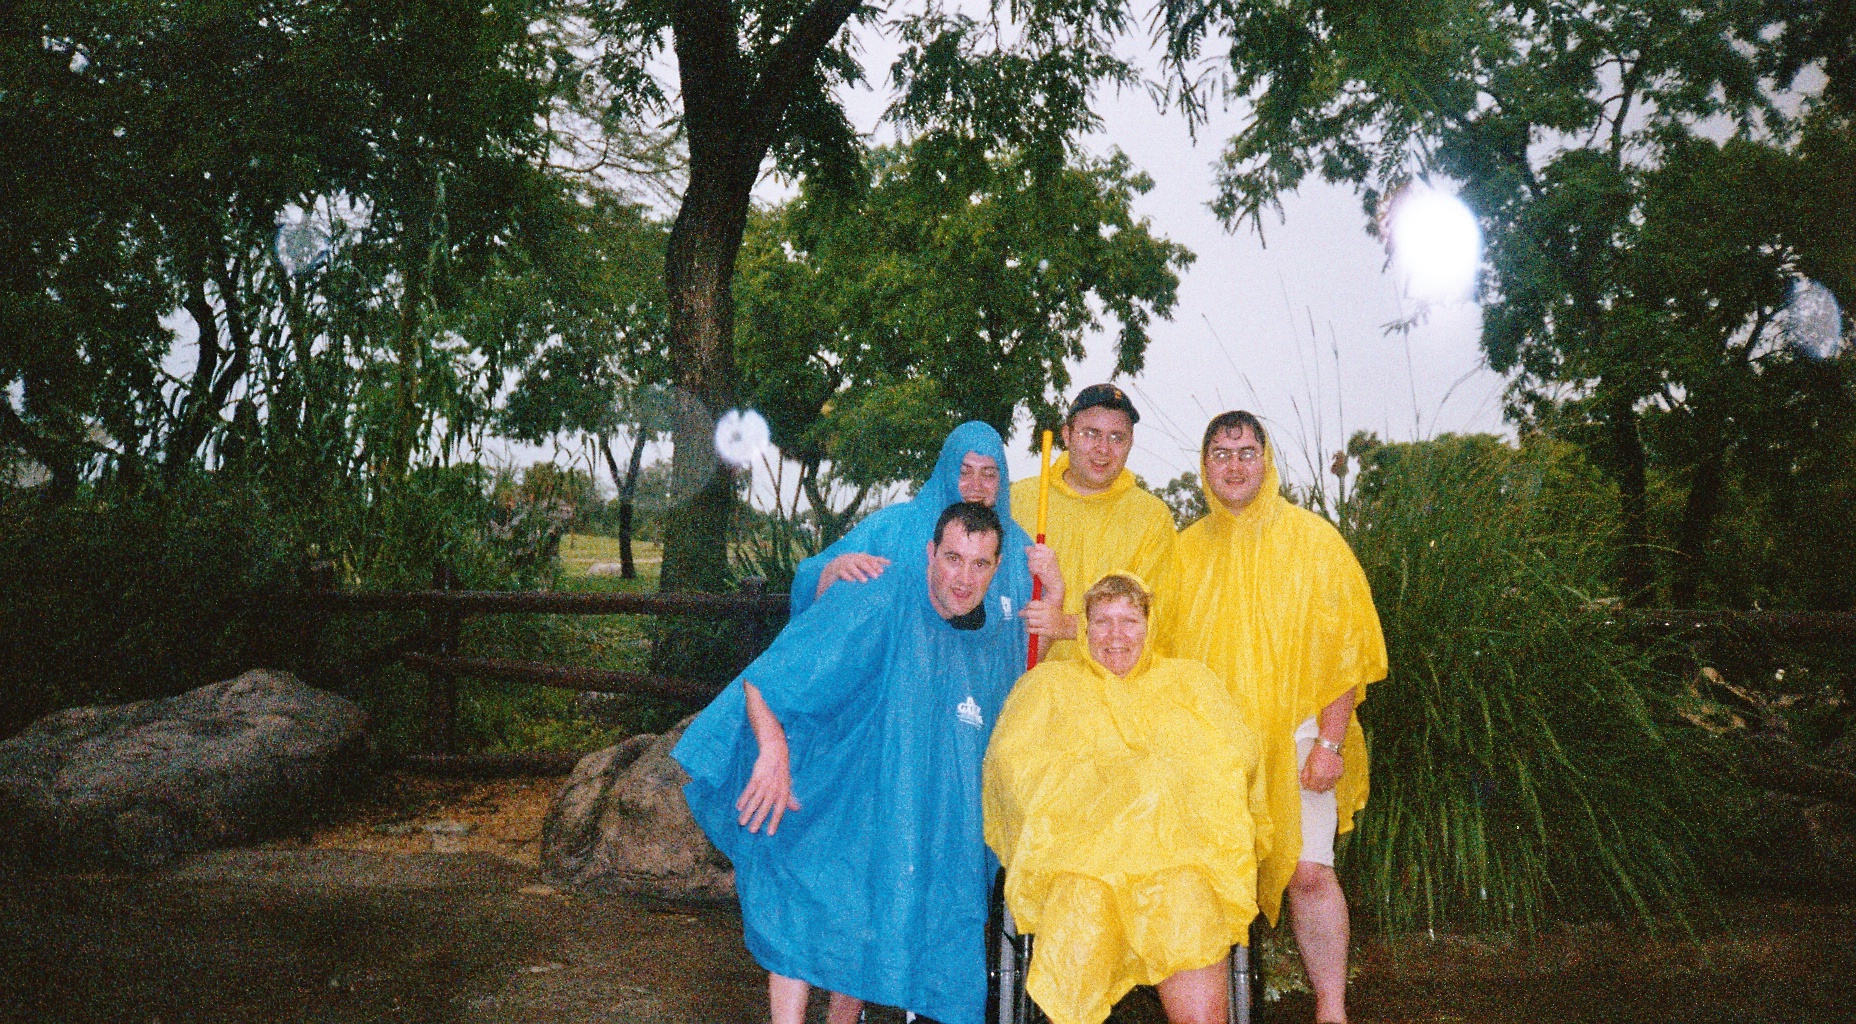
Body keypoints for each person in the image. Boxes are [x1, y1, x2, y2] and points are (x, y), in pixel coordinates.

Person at [675, 502, 1057, 1024]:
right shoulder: (877, 596)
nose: (964, 578)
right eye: (953, 558)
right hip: (832, 788)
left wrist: (1056, 598)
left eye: (980, 564)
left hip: (897, 806)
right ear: (930, 553)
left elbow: (1027, 669)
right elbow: (770, 675)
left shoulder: (985, 639)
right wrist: (773, 750)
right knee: (801, 903)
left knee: (872, 919)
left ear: (996, 569)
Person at [1164, 411, 1387, 1024]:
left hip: (1300, 737)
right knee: (1214, 880)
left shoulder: (1314, 541)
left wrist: (1331, 743)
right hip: (1213, 752)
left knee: (1308, 872)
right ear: (1204, 466)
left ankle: (1331, 1009)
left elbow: (1347, 650)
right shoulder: (1183, 551)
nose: (1234, 465)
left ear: (1266, 461)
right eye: (1221, 453)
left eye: (1246, 452)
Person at [984, 572, 1268, 1024]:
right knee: (1077, 916)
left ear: (1149, 626)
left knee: (1192, 920)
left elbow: (1232, 762)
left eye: (1129, 621)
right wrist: (1107, 793)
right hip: (1081, 869)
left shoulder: (1191, 684)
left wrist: (1149, 784)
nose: (1115, 635)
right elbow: (1013, 769)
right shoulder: (1048, 687)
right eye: (1102, 621)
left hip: (1177, 866)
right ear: (1084, 627)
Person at [791, 421, 1035, 628]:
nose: (976, 485)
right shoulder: (891, 527)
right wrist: (834, 570)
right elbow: (809, 577)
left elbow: (1026, 642)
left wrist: (1051, 594)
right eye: (964, 472)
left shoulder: (1021, 549)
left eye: (989, 474)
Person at [1011, 384, 1178, 659]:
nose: (1103, 449)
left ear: (1130, 443)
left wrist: (1068, 626)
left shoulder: (1152, 517)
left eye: (1116, 437)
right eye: (1091, 434)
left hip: (1113, 679)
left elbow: (1157, 614)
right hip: (1023, 674)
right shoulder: (1020, 499)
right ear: (1067, 435)